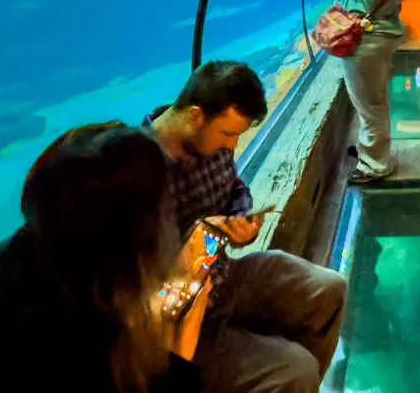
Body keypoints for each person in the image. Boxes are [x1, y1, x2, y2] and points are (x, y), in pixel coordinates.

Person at [0, 123, 205, 393]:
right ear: (135, 234)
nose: (172, 221)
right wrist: (188, 325)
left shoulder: (28, 256)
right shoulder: (55, 336)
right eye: (165, 208)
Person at [147, 61, 349, 391]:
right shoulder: (137, 170)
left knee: (328, 289)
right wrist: (204, 235)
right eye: (227, 135)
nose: (231, 147)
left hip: (225, 278)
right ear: (196, 115)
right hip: (180, 316)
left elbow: (234, 189)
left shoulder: (208, 140)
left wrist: (241, 219)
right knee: (295, 370)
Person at [320, 0, 415, 183]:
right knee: (371, 99)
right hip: (380, 39)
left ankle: (375, 165)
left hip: (368, 44)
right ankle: (370, 150)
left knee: (369, 105)